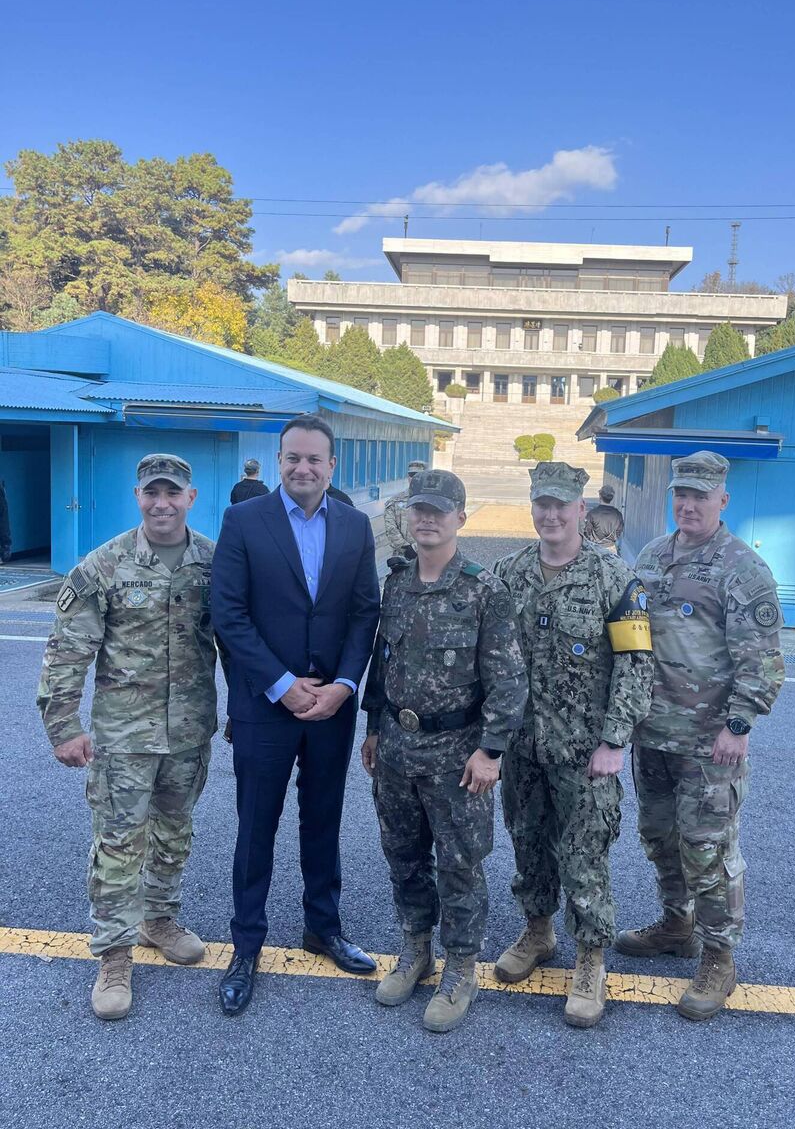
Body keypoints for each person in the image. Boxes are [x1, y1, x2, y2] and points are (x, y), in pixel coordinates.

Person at [36, 454, 217, 1020]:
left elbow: (237, 639)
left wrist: (250, 712)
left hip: (189, 732)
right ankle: (113, 954)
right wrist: (63, 725)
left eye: (172, 493)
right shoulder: (105, 565)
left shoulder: (215, 563)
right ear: (137, 498)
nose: (161, 503)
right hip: (124, 739)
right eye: (150, 493)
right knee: (118, 845)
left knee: (174, 832)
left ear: (191, 498)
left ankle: (158, 919)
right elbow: (69, 649)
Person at [212, 413, 381, 1016]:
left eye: (314, 459)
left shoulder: (356, 526)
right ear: (278, 461)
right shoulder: (243, 521)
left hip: (331, 708)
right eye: (292, 458)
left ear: (332, 466)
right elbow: (228, 615)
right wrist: (284, 687)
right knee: (256, 828)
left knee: (323, 822)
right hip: (266, 706)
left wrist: (342, 685)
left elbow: (365, 612)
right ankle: (246, 945)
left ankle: (323, 928)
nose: (303, 468)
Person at [615, 451, 785, 1021]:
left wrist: (739, 725)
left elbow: (761, 658)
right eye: (680, 495)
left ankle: (719, 956)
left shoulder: (743, 568)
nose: (688, 505)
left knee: (707, 848)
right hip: (651, 732)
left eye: (700, 496)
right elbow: (632, 638)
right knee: (658, 835)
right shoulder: (652, 556)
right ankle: (675, 924)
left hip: (710, 740)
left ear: (723, 501)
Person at [361, 469, 527, 1033]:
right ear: (408, 517)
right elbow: (383, 664)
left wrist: (491, 751)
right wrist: (375, 727)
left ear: (461, 517)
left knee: (460, 865)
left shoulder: (484, 589)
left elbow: (508, 681)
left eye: (439, 511)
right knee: (403, 857)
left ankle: (461, 967)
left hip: (458, 753)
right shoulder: (397, 582)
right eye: (418, 510)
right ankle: (416, 950)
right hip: (398, 746)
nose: (427, 519)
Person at [492, 462, 654, 1029]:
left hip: (586, 751)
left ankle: (590, 958)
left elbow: (637, 664)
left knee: (584, 856)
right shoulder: (507, 574)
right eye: (543, 503)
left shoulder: (614, 579)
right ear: (533, 507)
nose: (551, 514)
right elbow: (487, 654)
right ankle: (538, 930)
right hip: (522, 747)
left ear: (582, 512)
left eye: (562, 505)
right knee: (527, 841)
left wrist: (615, 741)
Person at [382, 459, 428, 557]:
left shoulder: (434, 503)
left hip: (428, 555)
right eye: (412, 474)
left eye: (418, 475)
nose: (414, 478)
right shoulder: (395, 502)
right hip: (402, 557)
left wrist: (416, 548)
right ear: (408, 477)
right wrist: (406, 548)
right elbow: (391, 528)